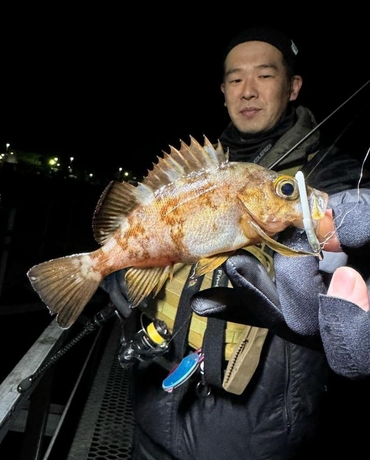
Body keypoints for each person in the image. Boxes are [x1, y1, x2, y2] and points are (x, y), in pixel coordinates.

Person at [102, 26, 370, 460]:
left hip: (253, 433)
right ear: (223, 91)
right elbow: (141, 228)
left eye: (264, 75)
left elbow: (345, 228)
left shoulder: (328, 174)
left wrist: (349, 261)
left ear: (293, 86)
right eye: (234, 78)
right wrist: (118, 272)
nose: (248, 91)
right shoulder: (199, 172)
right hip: (154, 402)